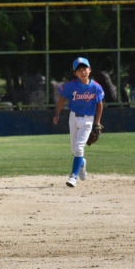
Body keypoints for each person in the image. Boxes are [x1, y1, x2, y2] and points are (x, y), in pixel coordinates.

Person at [53, 57, 104, 188]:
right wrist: (57, 114)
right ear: (75, 73)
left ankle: (73, 176)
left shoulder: (96, 87)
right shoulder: (72, 86)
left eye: (85, 68)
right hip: (73, 117)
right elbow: (62, 98)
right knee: (74, 149)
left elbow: (99, 105)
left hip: (88, 119)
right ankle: (82, 162)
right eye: (79, 70)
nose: (83, 72)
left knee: (79, 147)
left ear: (90, 70)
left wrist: (97, 122)